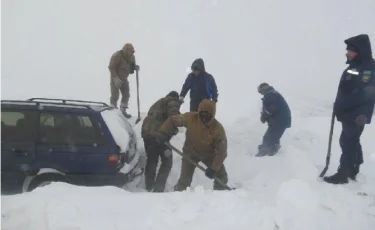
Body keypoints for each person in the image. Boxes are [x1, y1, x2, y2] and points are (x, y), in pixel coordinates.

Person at [324, 34, 375, 184]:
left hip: (357, 113)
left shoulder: (368, 68)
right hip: (350, 112)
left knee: (348, 141)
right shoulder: (356, 66)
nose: (347, 52)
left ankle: (344, 173)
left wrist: (343, 105)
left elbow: (365, 93)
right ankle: (353, 167)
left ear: (358, 51)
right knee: (351, 140)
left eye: (350, 50)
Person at [154, 99, 229, 191]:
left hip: (209, 155)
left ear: (212, 115)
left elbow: (222, 151)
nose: (204, 118)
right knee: (184, 181)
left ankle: (218, 197)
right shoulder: (191, 118)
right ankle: (178, 197)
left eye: (207, 115)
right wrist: (163, 132)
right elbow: (173, 120)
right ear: (198, 112)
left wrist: (214, 168)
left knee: (222, 177)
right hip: (190, 153)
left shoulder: (218, 129)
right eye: (202, 114)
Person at [141, 91, 181, 192]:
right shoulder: (173, 102)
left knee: (152, 161)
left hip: (147, 135)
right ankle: (158, 188)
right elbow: (174, 116)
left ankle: (149, 186)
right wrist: (176, 126)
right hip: (159, 136)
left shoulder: (159, 103)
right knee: (167, 162)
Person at [256, 83, 291, 157]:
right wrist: (265, 115)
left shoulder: (271, 94)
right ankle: (271, 149)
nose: (261, 93)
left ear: (263, 89)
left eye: (260, 91)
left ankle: (264, 153)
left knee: (269, 137)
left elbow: (272, 107)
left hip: (279, 121)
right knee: (272, 136)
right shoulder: (273, 94)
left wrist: (264, 115)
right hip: (280, 120)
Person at [108, 43, 140, 118]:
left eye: (133, 51)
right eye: (130, 51)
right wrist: (115, 79)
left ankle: (123, 111)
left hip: (124, 78)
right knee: (115, 96)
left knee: (126, 94)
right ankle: (113, 112)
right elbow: (111, 67)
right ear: (126, 50)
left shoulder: (132, 57)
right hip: (115, 78)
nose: (132, 52)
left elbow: (132, 67)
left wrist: (135, 67)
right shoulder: (117, 55)